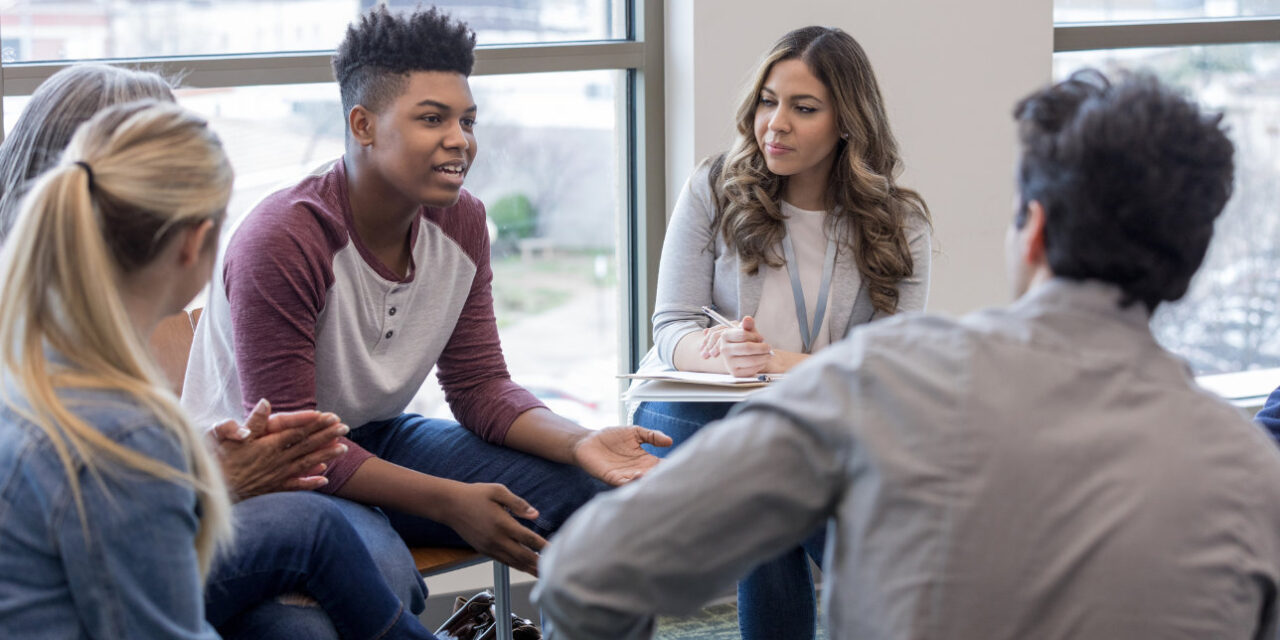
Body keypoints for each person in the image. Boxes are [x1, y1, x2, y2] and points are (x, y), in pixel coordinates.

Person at [536, 70, 1280, 639]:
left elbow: (585, 580)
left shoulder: (882, 379)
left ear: (1034, 231)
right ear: (1189, 262)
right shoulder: (1255, 480)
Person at [181, 5, 670, 578]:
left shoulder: (461, 223)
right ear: (363, 125)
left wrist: (580, 441)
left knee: (587, 491)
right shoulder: (285, 239)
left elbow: (478, 385)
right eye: (433, 119)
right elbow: (297, 447)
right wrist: (449, 502)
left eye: (468, 121)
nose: (459, 141)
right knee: (383, 573)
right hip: (262, 469)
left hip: (380, 435)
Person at [0, 66, 432, 640]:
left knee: (320, 532)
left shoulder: (69, 334)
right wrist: (206, 482)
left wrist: (201, 468)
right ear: (192, 240)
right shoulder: (111, 410)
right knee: (305, 613)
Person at [631, 26, 931, 639]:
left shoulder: (898, 224)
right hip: (692, 413)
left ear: (847, 121)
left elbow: (889, 364)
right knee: (768, 454)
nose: (776, 124)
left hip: (809, 425)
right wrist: (719, 356)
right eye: (768, 101)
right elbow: (671, 326)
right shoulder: (714, 188)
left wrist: (777, 364)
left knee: (769, 476)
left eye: (804, 108)